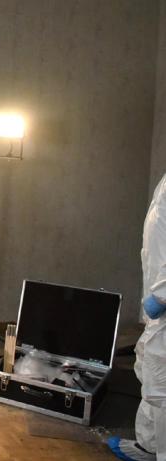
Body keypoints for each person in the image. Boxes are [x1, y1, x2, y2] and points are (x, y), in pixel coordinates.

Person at [108, 175, 166, 461]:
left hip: (164, 306)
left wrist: (162, 295)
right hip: (158, 309)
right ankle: (149, 446)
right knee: (152, 375)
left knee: (162, 388)